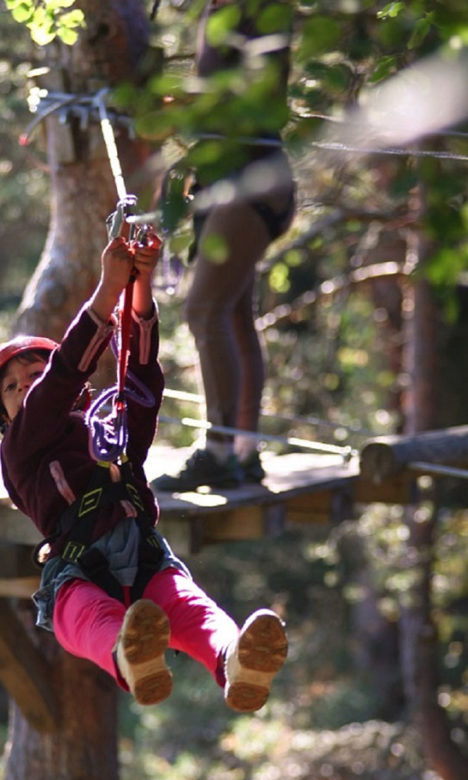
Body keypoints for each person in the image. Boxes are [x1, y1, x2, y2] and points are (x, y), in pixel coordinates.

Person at [0, 229, 287, 711]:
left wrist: (137, 287)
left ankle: (235, 660)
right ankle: (130, 656)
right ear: (5, 415)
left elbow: (140, 376)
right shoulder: (19, 450)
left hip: (143, 556)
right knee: (91, 614)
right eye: (14, 387)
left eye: (35, 373)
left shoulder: (106, 430)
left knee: (191, 609)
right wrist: (108, 289)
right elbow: (62, 379)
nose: (28, 386)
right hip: (75, 573)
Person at [154, 0, 296, 492]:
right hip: (238, 180)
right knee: (233, 314)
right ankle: (243, 449)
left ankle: (219, 452)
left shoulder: (248, 11)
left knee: (205, 311)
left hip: (249, 182)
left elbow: (255, 99)